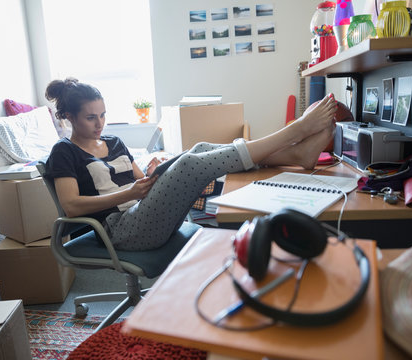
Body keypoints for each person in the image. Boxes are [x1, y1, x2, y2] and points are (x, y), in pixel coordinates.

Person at [45, 78, 337, 251]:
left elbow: (140, 181)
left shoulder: (115, 142)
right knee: (188, 165)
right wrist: (131, 193)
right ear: (69, 117)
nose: (100, 124)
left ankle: (296, 156)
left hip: (141, 212)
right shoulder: (64, 152)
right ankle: (292, 133)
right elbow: (71, 207)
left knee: (196, 150)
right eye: (91, 117)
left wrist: (153, 173)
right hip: (119, 232)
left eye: (103, 115)